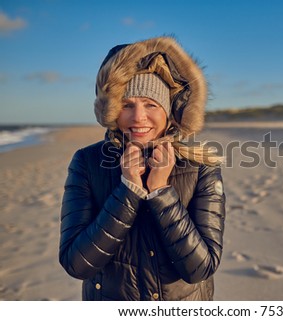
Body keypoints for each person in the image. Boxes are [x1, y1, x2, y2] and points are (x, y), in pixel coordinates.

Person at [59, 36, 226, 301]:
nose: (138, 117)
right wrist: (128, 190)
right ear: (112, 110)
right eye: (127, 105)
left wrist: (161, 192)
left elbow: (200, 268)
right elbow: (76, 264)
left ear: (171, 110)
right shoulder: (87, 162)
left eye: (151, 105)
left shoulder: (201, 167)